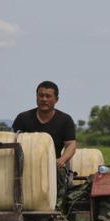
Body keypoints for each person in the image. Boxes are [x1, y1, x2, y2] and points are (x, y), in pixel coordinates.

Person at [12, 81, 77, 211]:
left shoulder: (65, 120)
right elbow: (12, 140)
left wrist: (62, 160)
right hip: (24, 163)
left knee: (58, 173)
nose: (44, 99)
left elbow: (71, 144)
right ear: (36, 97)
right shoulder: (23, 118)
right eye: (41, 96)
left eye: (48, 96)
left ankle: (56, 209)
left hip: (52, 164)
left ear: (56, 99)